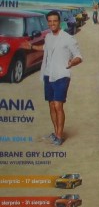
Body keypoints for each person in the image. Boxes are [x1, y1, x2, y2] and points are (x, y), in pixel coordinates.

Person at [24, 10, 82, 146]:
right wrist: (32, 46)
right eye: (49, 21)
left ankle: (59, 136)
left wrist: (72, 62)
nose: (52, 23)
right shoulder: (48, 37)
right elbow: (45, 47)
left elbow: (79, 56)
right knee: (51, 105)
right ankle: (56, 132)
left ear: (59, 21)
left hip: (62, 75)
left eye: (55, 21)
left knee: (58, 105)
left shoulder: (68, 38)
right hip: (48, 74)